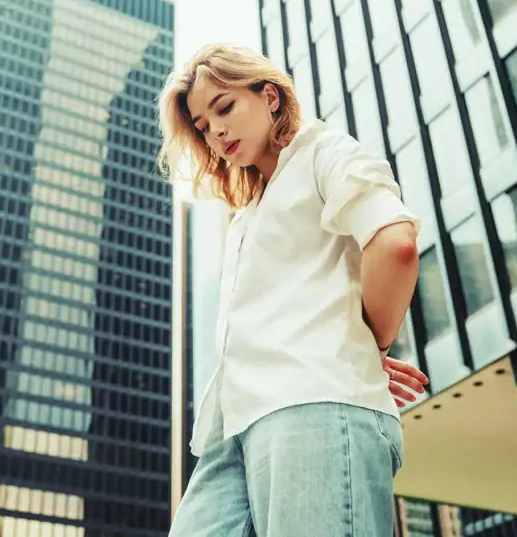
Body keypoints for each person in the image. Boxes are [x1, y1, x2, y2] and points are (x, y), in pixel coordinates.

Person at [158, 43, 428, 536]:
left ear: (270, 97)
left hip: (312, 406)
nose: (216, 131)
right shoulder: (247, 214)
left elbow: (395, 245)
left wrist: (369, 347)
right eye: (202, 126)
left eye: (225, 108)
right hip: (231, 428)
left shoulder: (324, 152)